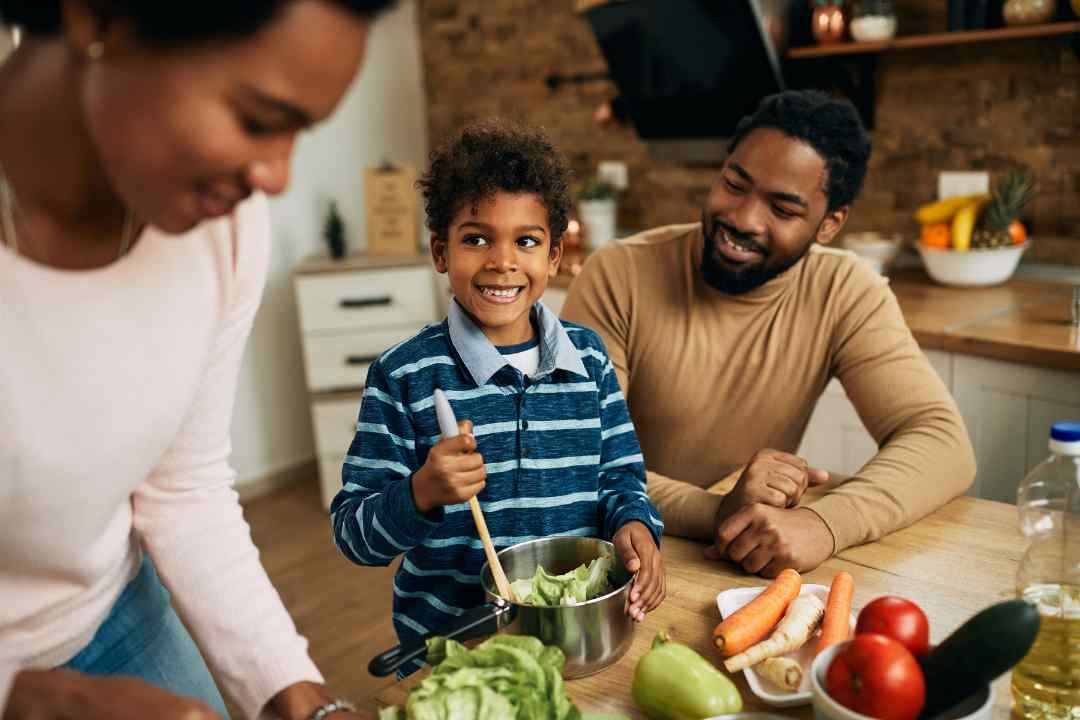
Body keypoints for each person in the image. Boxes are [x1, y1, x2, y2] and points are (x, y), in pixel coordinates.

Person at [0, 1, 395, 719]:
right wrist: (36, 699)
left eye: (300, 132)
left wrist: (306, 704)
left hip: (112, 608)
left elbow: (183, 488)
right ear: (99, 19)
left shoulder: (225, 229)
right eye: (256, 119)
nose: (277, 177)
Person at [562, 90, 976, 578]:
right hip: (621, 558)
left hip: (738, 569)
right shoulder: (619, 274)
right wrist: (715, 510)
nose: (743, 218)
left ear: (829, 224)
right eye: (735, 184)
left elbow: (943, 441)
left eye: (782, 209)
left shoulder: (844, 290)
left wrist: (824, 522)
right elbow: (577, 458)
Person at [331, 120, 665, 676]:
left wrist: (635, 525)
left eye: (526, 241)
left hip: (570, 644)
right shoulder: (404, 375)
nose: (502, 261)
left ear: (555, 256)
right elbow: (353, 534)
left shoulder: (590, 360)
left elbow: (621, 480)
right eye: (476, 238)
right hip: (456, 655)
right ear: (441, 252)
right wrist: (421, 493)